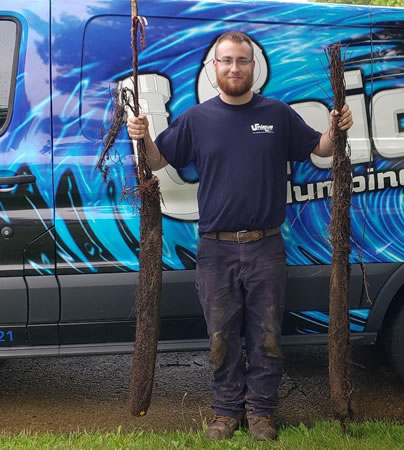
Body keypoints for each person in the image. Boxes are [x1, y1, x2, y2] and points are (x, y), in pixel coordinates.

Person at [126, 31, 352, 441]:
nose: (234, 67)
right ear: (215, 68)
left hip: (267, 246)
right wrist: (141, 136)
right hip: (216, 250)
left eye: (242, 60)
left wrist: (336, 129)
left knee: (266, 335)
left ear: (254, 66)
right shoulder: (197, 119)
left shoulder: (278, 114)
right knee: (221, 338)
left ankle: (262, 413)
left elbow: (319, 149)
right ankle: (226, 412)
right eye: (226, 60)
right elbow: (161, 159)